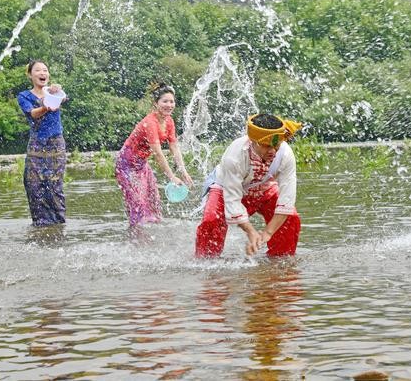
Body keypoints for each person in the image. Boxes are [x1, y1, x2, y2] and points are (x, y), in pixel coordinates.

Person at [196, 113, 302, 258]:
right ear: (253, 141)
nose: (272, 151)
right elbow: (232, 199)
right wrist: (251, 232)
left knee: (291, 218)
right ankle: (205, 261)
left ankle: (280, 264)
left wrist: (267, 233)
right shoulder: (235, 156)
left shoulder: (286, 155)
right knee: (211, 220)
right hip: (225, 187)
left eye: (276, 146)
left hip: (263, 187)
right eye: (266, 146)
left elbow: (287, 199)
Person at [115, 82, 193, 227]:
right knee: (137, 203)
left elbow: (174, 147)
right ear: (156, 103)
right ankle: (135, 238)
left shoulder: (169, 121)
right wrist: (172, 177)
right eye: (165, 101)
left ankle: (153, 235)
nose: (169, 105)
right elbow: (158, 154)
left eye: (172, 101)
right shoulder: (150, 123)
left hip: (141, 164)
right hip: (126, 165)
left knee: (153, 201)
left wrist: (183, 171)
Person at [17, 60, 67, 227]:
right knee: (34, 185)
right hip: (37, 144)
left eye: (45, 70)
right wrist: (47, 104)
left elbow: (64, 98)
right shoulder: (24, 95)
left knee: (54, 185)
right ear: (30, 75)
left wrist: (56, 92)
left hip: (56, 144)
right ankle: (40, 225)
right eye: (38, 70)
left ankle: (58, 225)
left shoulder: (54, 92)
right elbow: (33, 114)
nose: (42, 73)